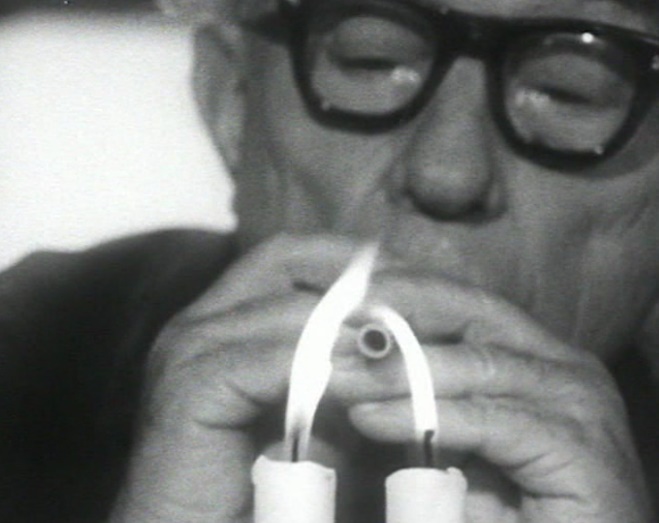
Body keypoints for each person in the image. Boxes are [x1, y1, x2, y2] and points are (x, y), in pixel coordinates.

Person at [2, 0, 658, 521]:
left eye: (571, 90)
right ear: (232, 99)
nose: (447, 173)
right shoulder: (28, 354)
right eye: (371, 59)